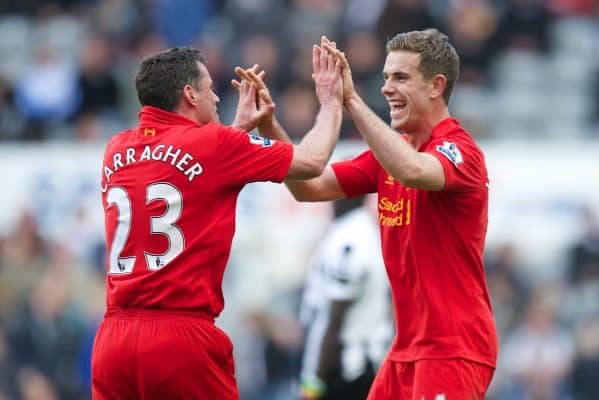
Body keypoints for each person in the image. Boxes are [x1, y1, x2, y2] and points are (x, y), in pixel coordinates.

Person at [235, 28, 498, 400]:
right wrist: (270, 127)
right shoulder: (389, 156)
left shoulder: (460, 151)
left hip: (453, 349)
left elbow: (414, 171)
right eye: (386, 77)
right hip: (405, 350)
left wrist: (351, 101)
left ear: (436, 86)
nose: (388, 88)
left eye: (401, 78)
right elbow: (307, 187)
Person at [91, 45, 343, 399]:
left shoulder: (116, 148)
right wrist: (332, 101)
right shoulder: (217, 144)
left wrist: (237, 131)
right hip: (180, 338)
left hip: (113, 341)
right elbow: (312, 162)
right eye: (209, 88)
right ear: (190, 94)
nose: (216, 96)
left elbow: (187, 168)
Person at [298, 194, 393, 400]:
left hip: (345, 369)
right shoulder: (362, 231)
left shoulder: (350, 238)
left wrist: (313, 382)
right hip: (366, 361)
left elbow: (334, 321)